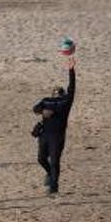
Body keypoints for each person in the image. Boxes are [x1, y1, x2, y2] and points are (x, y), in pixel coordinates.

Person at [34, 57, 76, 195]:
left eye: (59, 93)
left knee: (55, 161)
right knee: (41, 158)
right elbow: (35, 108)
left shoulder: (65, 103)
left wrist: (71, 70)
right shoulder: (46, 101)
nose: (57, 95)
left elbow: (72, 88)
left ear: (62, 95)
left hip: (57, 136)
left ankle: (54, 187)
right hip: (44, 134)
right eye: (55, 93)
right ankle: (50, 175)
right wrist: (43, 111)